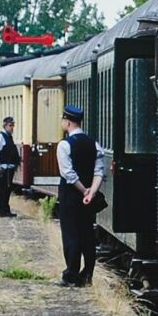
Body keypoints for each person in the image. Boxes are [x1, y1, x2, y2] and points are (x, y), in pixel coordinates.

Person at [55, 103, 105, 286]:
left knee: (71, 234)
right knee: (87, 234)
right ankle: (88, 274)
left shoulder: (64, 145)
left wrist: (84, 190)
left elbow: (68, 174)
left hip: (71, 196)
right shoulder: (94, 143)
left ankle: (71, 274)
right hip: (89, 198)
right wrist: (92, 191)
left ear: (67, 122)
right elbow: (100, 171)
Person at [0, 115, 21, 217]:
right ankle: (2, 210)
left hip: (9, 167)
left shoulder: (8, 136)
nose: (12, 127)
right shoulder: (1, 137)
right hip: (4, 168)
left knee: (6, 189)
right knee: (4, 189)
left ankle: (1, 209)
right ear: (5, 126)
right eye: (10, 125)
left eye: (13, 125)